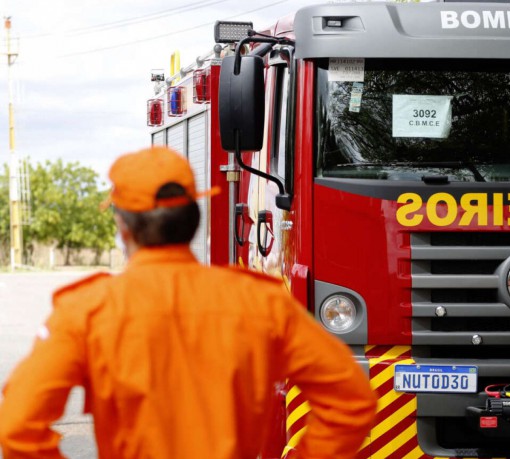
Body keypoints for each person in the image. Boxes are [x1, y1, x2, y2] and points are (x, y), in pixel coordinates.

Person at [0, 146, 377, 459]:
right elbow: (351, 401)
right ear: (194, 219)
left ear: (123, 226)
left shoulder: (87, 310)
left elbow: (17, 426)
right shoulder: (261, 302)